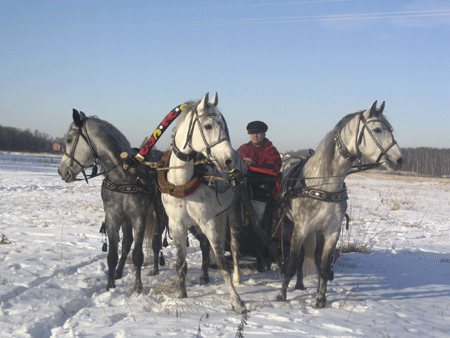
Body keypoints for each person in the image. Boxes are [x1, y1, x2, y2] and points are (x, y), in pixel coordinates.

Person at [236, 120, 282, 201]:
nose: (254, 136)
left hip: (262, 190)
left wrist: (255, 164)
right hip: (241, 186)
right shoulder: (243, 148)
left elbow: (274, 168)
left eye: (257, 133)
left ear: (264, 135)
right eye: (252, 134)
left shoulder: (271, 150)